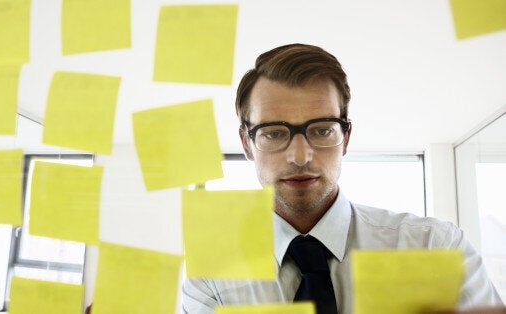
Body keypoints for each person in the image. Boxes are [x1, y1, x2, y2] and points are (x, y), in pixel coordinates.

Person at [181, 43, 503, 313]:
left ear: (345, 138)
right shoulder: (211, 275)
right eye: (274, 133)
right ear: (246, 144)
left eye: (321, 130)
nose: (300, 155)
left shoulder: (436, 248)